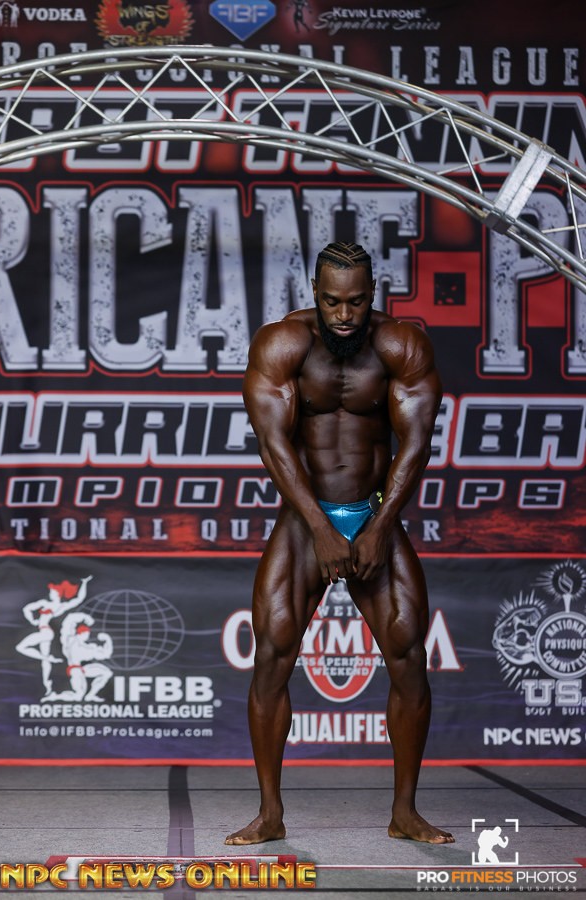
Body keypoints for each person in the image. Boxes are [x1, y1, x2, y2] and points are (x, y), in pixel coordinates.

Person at [225, 241, 453, 846]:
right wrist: (321, 528)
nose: (344, 315)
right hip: (305, 521)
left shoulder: (401, 346)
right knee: (273, 657)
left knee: (408, 658)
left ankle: (404, 812)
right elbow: (274, 446)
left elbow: (416, 445)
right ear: (315, 293)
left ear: (372, 293)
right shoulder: (282, 344)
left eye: (355, 302)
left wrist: (376, 527)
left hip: (376, 513)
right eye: (331, 302)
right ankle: (270, 813)